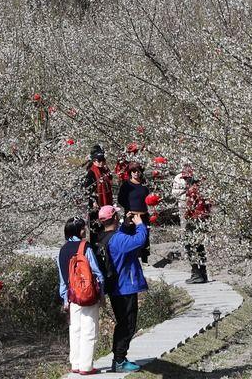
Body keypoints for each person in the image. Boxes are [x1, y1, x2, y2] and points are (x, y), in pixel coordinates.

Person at [97, 205, 148, 373]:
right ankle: (119, 360)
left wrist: (127, 224)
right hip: (124, 286)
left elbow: (123, 238)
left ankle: (119, 359)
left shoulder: (104, 237)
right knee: (127, 324)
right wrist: (140, 224)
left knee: (123, 323)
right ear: (114, 218)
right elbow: (138, 241)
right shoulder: (118, 240)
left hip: (115, 287)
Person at [57, 216, 104, 376]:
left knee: (75, 329)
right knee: (89, 329)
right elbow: (97, 272)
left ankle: (75, 363)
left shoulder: (62, 250)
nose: (85, 230)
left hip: (72, 296)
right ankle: (86, 366)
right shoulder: (85, 247)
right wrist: (101, 293)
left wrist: (65, 299)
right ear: (78, 230)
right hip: (88, 295)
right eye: (83, 227)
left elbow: (63, 278)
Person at [117, 161, 150, 262]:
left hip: (144, 215)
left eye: (138, 171)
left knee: (145, 237)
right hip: (131, 215)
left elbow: (148, 198)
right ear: (130, 172)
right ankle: (132, 260)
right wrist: (129, 208)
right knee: (130, 237)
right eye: (134, 171)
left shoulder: (144, 184)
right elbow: (120, 199)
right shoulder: (126, 185)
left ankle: (145, 260)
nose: (136, 173)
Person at [83, 145, 114, 245]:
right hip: (96, 208)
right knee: (96, 234)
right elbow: (86, 190)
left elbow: (110, 180)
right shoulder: (91, 173)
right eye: (98, 160)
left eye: (102, 160)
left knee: (108, 232)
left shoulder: (105, 171)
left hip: (107, 205)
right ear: (93, 161)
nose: (100, 162)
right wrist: (93, 201)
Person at [184, 178, 211, 284]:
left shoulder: (192, 190)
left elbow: (189, 208)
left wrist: (186, 215)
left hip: (194, 220)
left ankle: (196, 273)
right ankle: (203, 273)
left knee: (189, 245)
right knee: (200, 246)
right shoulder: (204, 189)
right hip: (204, 220)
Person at [171, 162, 193, 231]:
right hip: (183, 202)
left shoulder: (194, 176)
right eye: (185, 166)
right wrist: (185, 188)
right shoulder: (178, 178)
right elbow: (174, 193)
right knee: (184, 222)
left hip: (194, 202)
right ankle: (184, 236)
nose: (187, 168)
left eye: (188, 166)